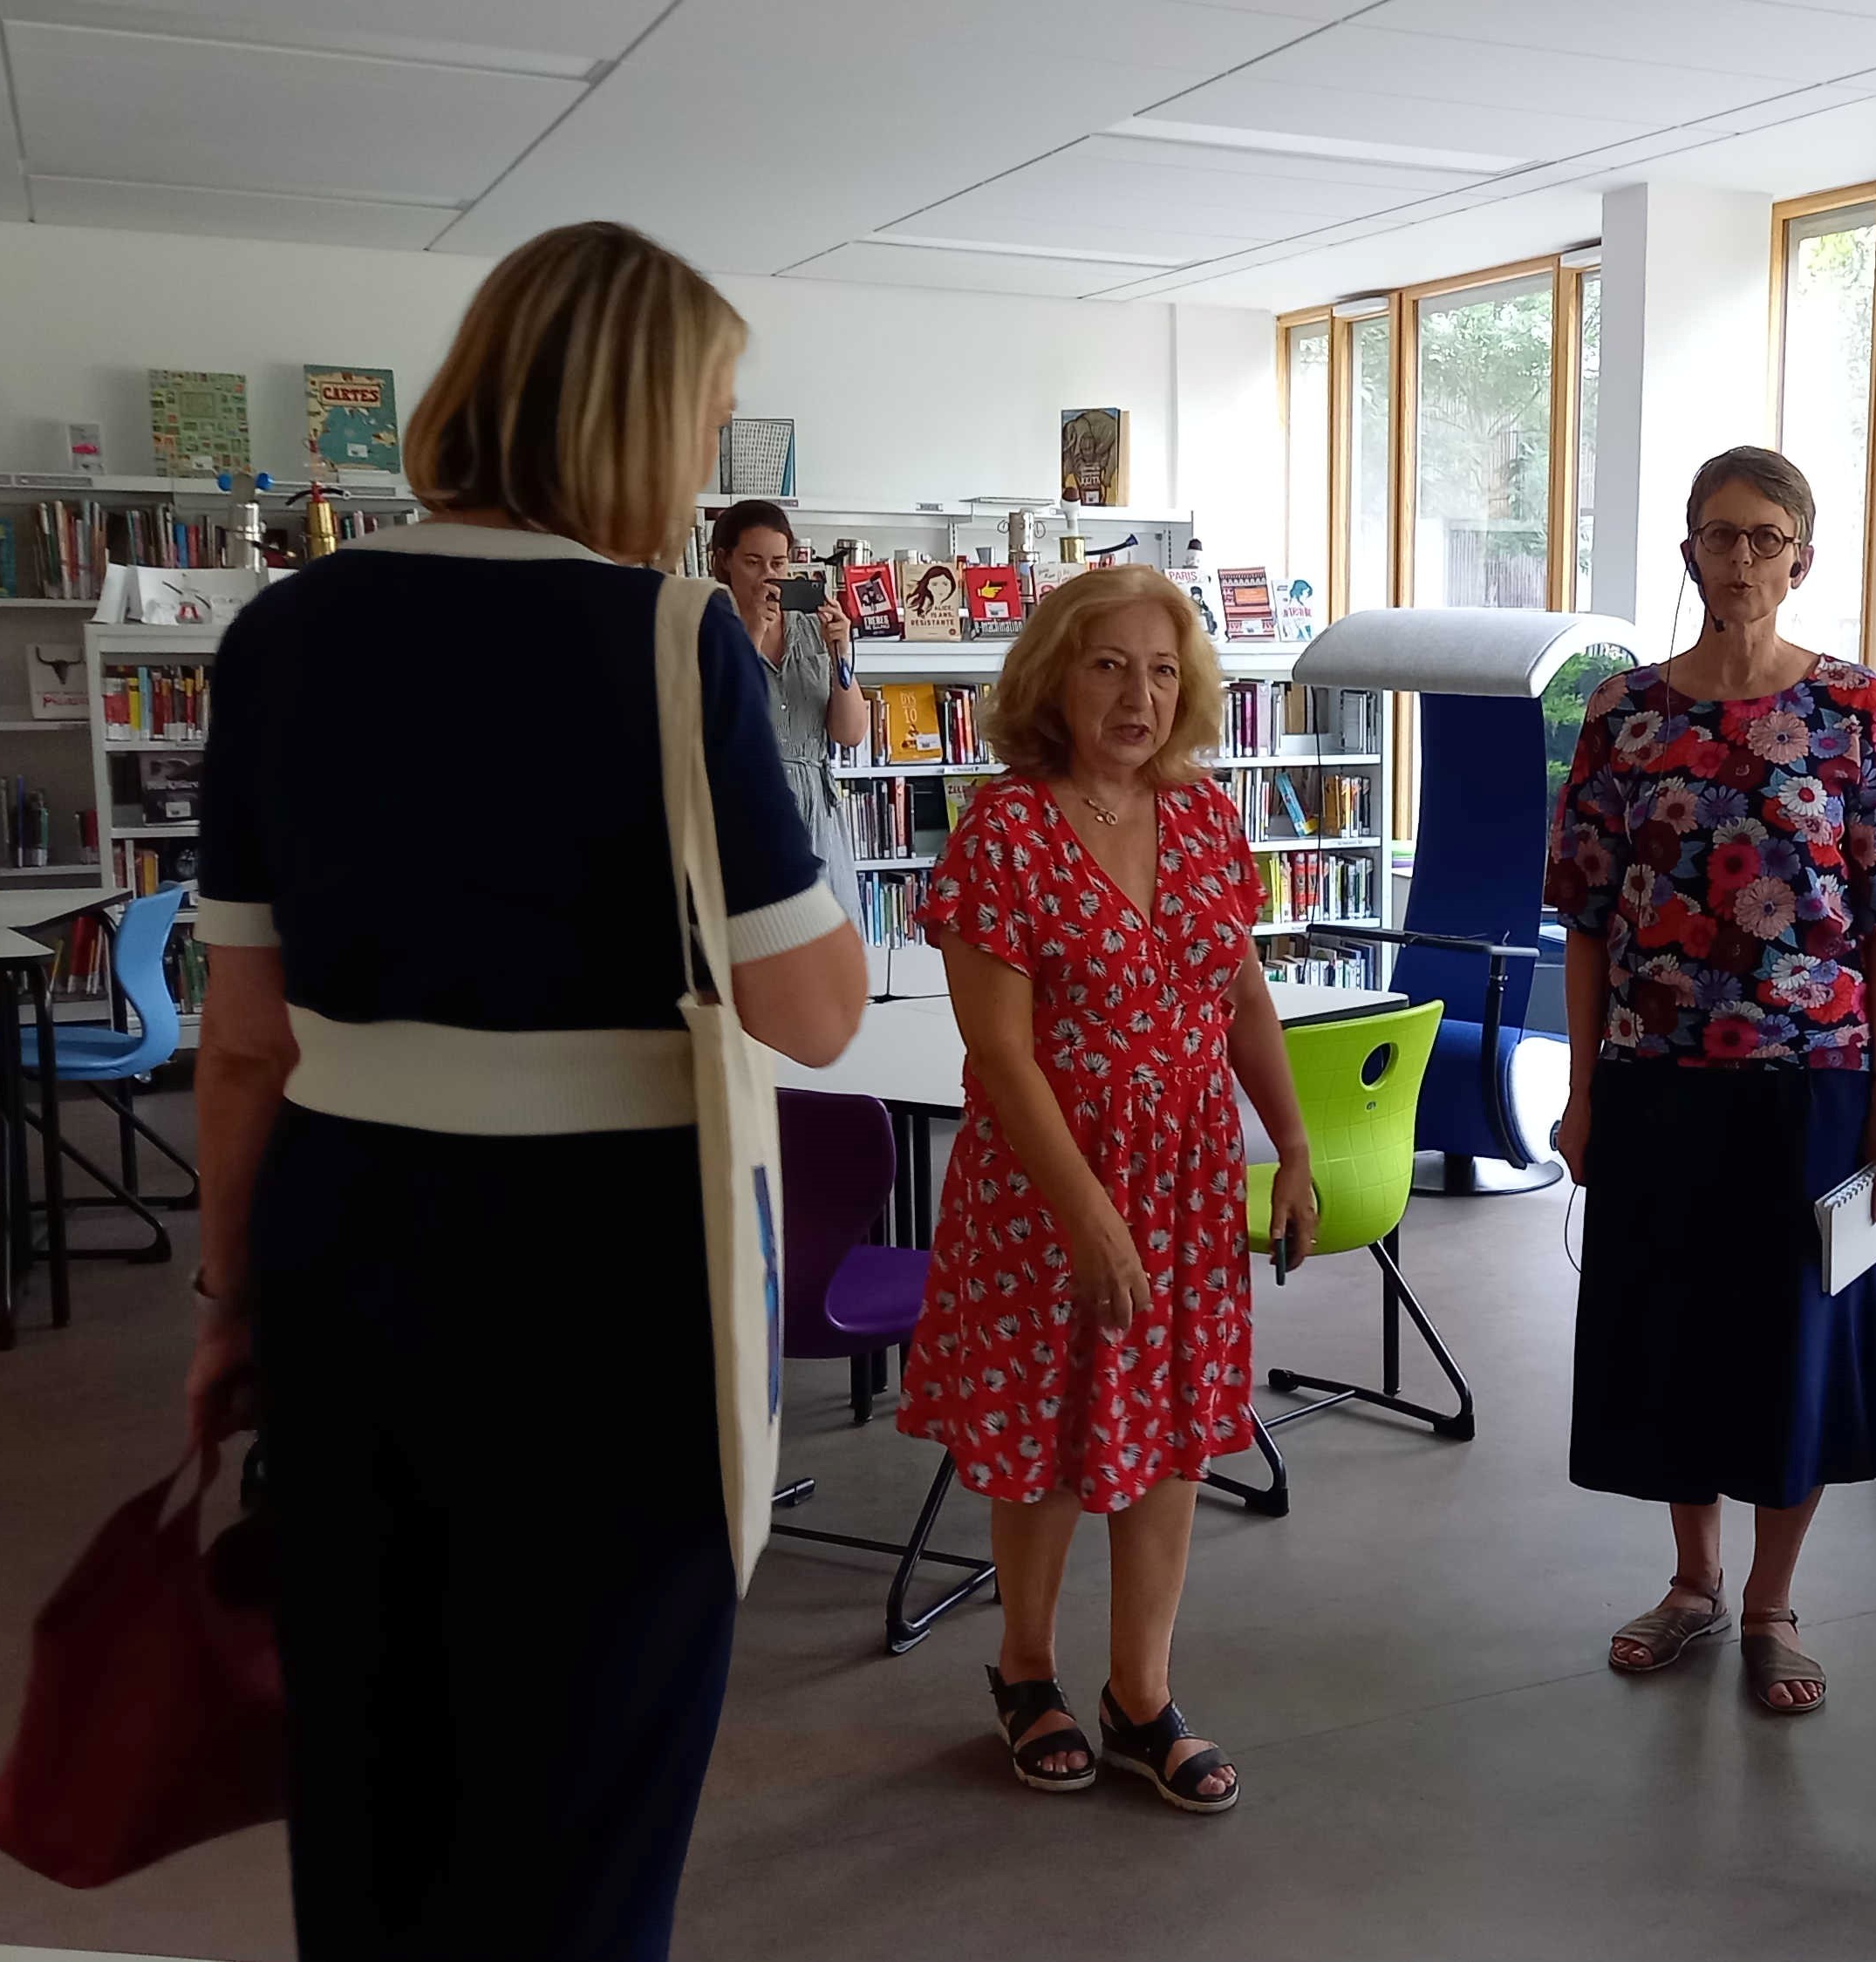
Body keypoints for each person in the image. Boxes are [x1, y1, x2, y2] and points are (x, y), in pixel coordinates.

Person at [179, 221, 874, 1957]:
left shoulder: (281, 633)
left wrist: (225, 1296)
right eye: (705, 414)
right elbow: (815, 1013)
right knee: (585, 1775)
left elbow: (247, 1033)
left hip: (352, 1233)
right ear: (637, 420)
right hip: (605, 1273)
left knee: (369, 1752)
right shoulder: (672, 638)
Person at [903, 561, 1318, 1815]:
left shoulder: (1203, 816)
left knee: (1178, 1429)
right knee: (1045, 1439)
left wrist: (1290, 1145)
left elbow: (1239, 992)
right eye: (1107, 665)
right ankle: (1027, 1671)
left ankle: (1143, 1694)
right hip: (1046, 1185)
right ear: (1053, 679)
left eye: (1160, 668)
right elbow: (1000, 1056)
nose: (1138, 693)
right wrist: (1087, 1213)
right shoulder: (1006, 829)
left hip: (1189, 1182)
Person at [1547, 445, 1876, 1717]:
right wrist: (1583, 1090)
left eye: (1766, 536)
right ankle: (1693, 1580)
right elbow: (1591, 917)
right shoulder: (1625, 713)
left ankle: (1773, 1602)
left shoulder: (1853, 709)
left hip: (1816, 1083)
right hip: (1658, 1078)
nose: (1740, 558)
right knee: (1677, 1336)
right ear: (1688, 554)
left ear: (1802, 557)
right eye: (1718, 534)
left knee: (1795, 1346)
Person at [707, 498, 869, 921]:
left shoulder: (812, 627)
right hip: (745, 805)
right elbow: (717, 723)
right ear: (724, 561)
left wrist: (841, 654)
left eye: (778, 563)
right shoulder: (709, 629)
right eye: (753, 562)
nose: (768, 577)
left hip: (815, 806)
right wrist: (754, 634)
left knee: (823, 950)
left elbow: (849, 734)